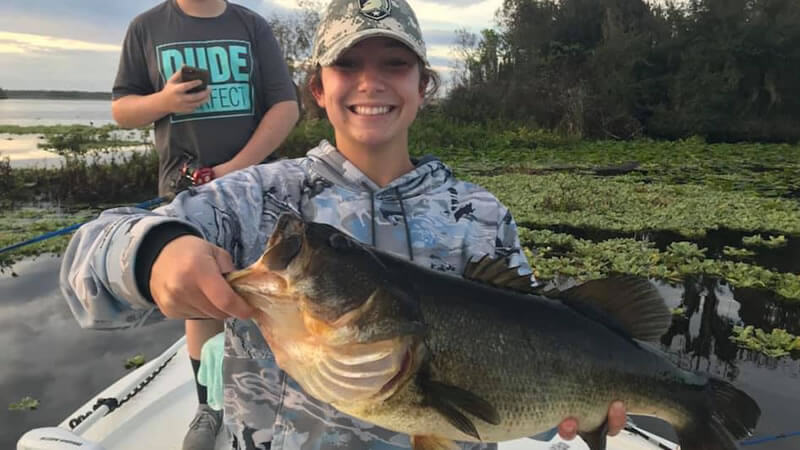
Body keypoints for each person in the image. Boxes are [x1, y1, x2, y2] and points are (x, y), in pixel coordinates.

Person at [62, 0, 625, 448]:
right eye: (347, 65)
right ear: (317, 89)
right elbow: (88, 260)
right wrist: (157, 251)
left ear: (423, 86)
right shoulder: (261, 198)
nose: (370, 83)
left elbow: (536, 376)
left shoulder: (480, 216)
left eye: (394, 65)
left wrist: (575, 409)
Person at [109, 0, 299, 448]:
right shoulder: (146, 27)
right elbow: (122, 110)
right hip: (184, 192)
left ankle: (278, 395)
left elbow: (285, 106)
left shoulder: (252, 26)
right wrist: (165, 101)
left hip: (255, 187)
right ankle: (207, 407)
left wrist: (237, 167)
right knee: (201, 303)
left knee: (268, 291)